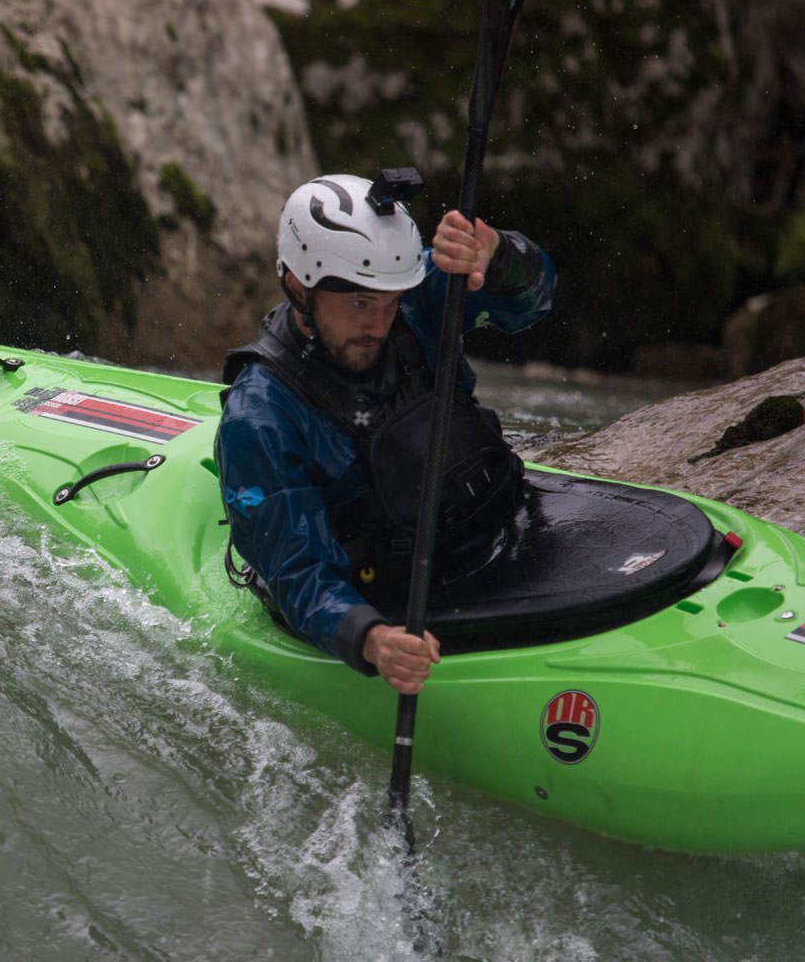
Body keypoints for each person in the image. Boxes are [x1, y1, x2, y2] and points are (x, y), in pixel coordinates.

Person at [215, 169, 556, 695]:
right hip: (380, 594)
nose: (378, 325)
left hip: (485, 531)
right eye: (358, 303)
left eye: (388, 302)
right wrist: (370, 639)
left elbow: (533, 302)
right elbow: (298, 571)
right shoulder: (259, 417)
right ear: (298, 286)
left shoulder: (410, 297)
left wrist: (496, 254)